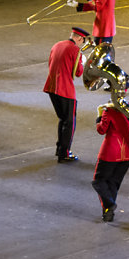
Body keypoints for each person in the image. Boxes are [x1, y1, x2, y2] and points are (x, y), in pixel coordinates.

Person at [91, 98, 129, 222]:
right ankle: (108, 213)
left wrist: (99, 115)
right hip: (127, 153)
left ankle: (109, 205)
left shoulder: (108, 110)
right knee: (113, 183)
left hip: (110, 152)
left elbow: (101, 130)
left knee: (99, 181)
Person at [44, 26, 89, 163]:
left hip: (51, 87)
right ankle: (64, 153)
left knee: (62, 119)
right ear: (80, 38)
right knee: (70, 123)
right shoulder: (76, 50)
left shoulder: (57, 44)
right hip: (65, 90)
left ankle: (60, 149)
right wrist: (83, 61)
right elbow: (78, 72)